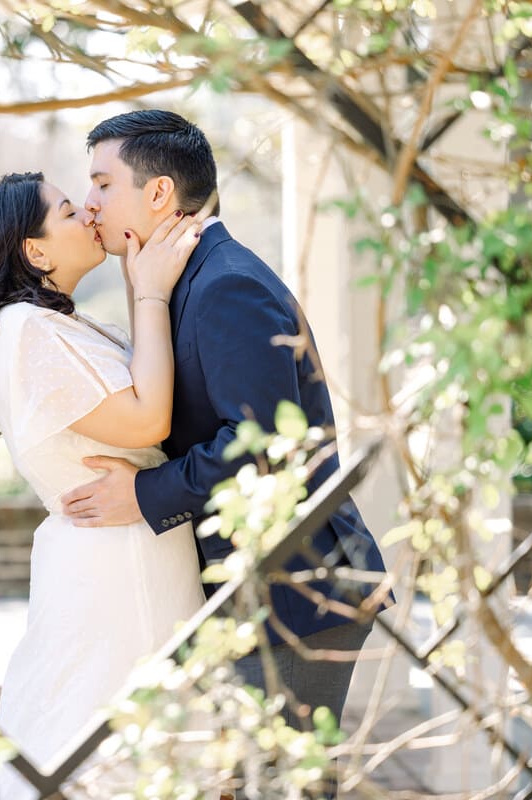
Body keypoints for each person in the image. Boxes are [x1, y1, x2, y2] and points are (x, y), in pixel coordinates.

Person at [60, 110, 391, 774]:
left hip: (300, 592)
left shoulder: (226, 285)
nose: (89, 203)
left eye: (101, 184)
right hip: (257, 593)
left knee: (279, 788)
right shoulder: (185, 278)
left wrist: (142, 495)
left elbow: (262, 444)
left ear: (157, 194)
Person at [0, 172, 208, 799]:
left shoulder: (48, 325)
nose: (87, 209)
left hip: (124, 552)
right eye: (65, 208)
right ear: (36, 251)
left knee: (125, 750)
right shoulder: (24, 329)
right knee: (105, 754)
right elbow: (146, 418)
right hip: (117, 565)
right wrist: (151, 294)